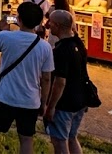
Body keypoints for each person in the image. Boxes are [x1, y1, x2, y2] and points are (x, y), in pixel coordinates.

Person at [0, 2, 54, 154]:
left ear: (18, 19)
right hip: (30, 101)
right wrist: (43, 103)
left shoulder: (5, 36)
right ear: (39, 22)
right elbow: (46, 78)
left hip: (4, 96)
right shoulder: (45, 47)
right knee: (26, 139)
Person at [44, 10, 88, 154]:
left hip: (65, 104)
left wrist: (50, 107)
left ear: (56, 25)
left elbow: (60, 82)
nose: (48, 25)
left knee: (59, 141)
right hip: (80, 100)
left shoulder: (61, 50)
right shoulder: (78, 43)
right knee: (71, 137)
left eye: (50, 22)